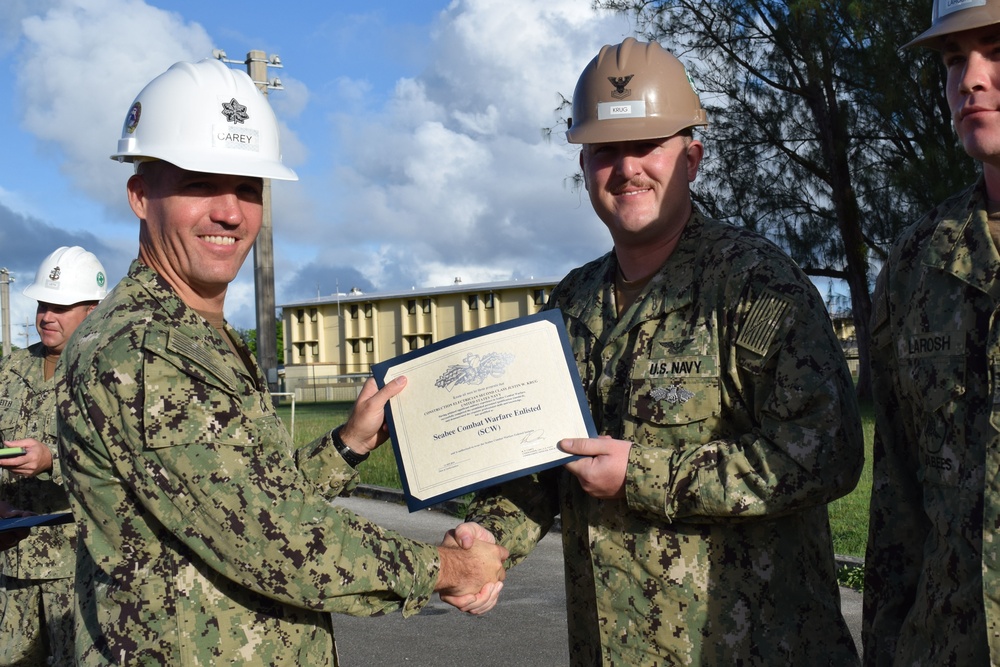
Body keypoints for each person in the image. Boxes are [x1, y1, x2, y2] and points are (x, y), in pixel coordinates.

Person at [55, 59, 507, 666]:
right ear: (141, 195)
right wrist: (450, 567)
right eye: (200, 183)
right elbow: (274, 539)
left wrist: (348, 442)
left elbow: (247, 494)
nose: (230, 212)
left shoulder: (195, 334)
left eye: (248, 188)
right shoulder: (140, 351)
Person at [446, 37, 864, 665]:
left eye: (646, 147)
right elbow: (542, 461)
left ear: (691, 158)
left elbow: (825, 453)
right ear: (584, 168)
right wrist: (489, 538)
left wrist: (641, 475)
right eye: (605, 152)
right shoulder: (572, 302)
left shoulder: (755, 286)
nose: (626, 168)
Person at [862, 2, 1000, 664]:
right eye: (953, 60)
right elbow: (896, 498)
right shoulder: (918, 261)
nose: (970, 78)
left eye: (996, 50)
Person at [0, 245, 107, 665]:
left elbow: (125, 462)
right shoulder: (9, 371)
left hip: (78, 568)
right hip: (11, 567)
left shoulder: (106, 374)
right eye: (44, 303)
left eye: (61, 305)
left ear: (93, 310)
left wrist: (53, 462)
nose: (46, 315)